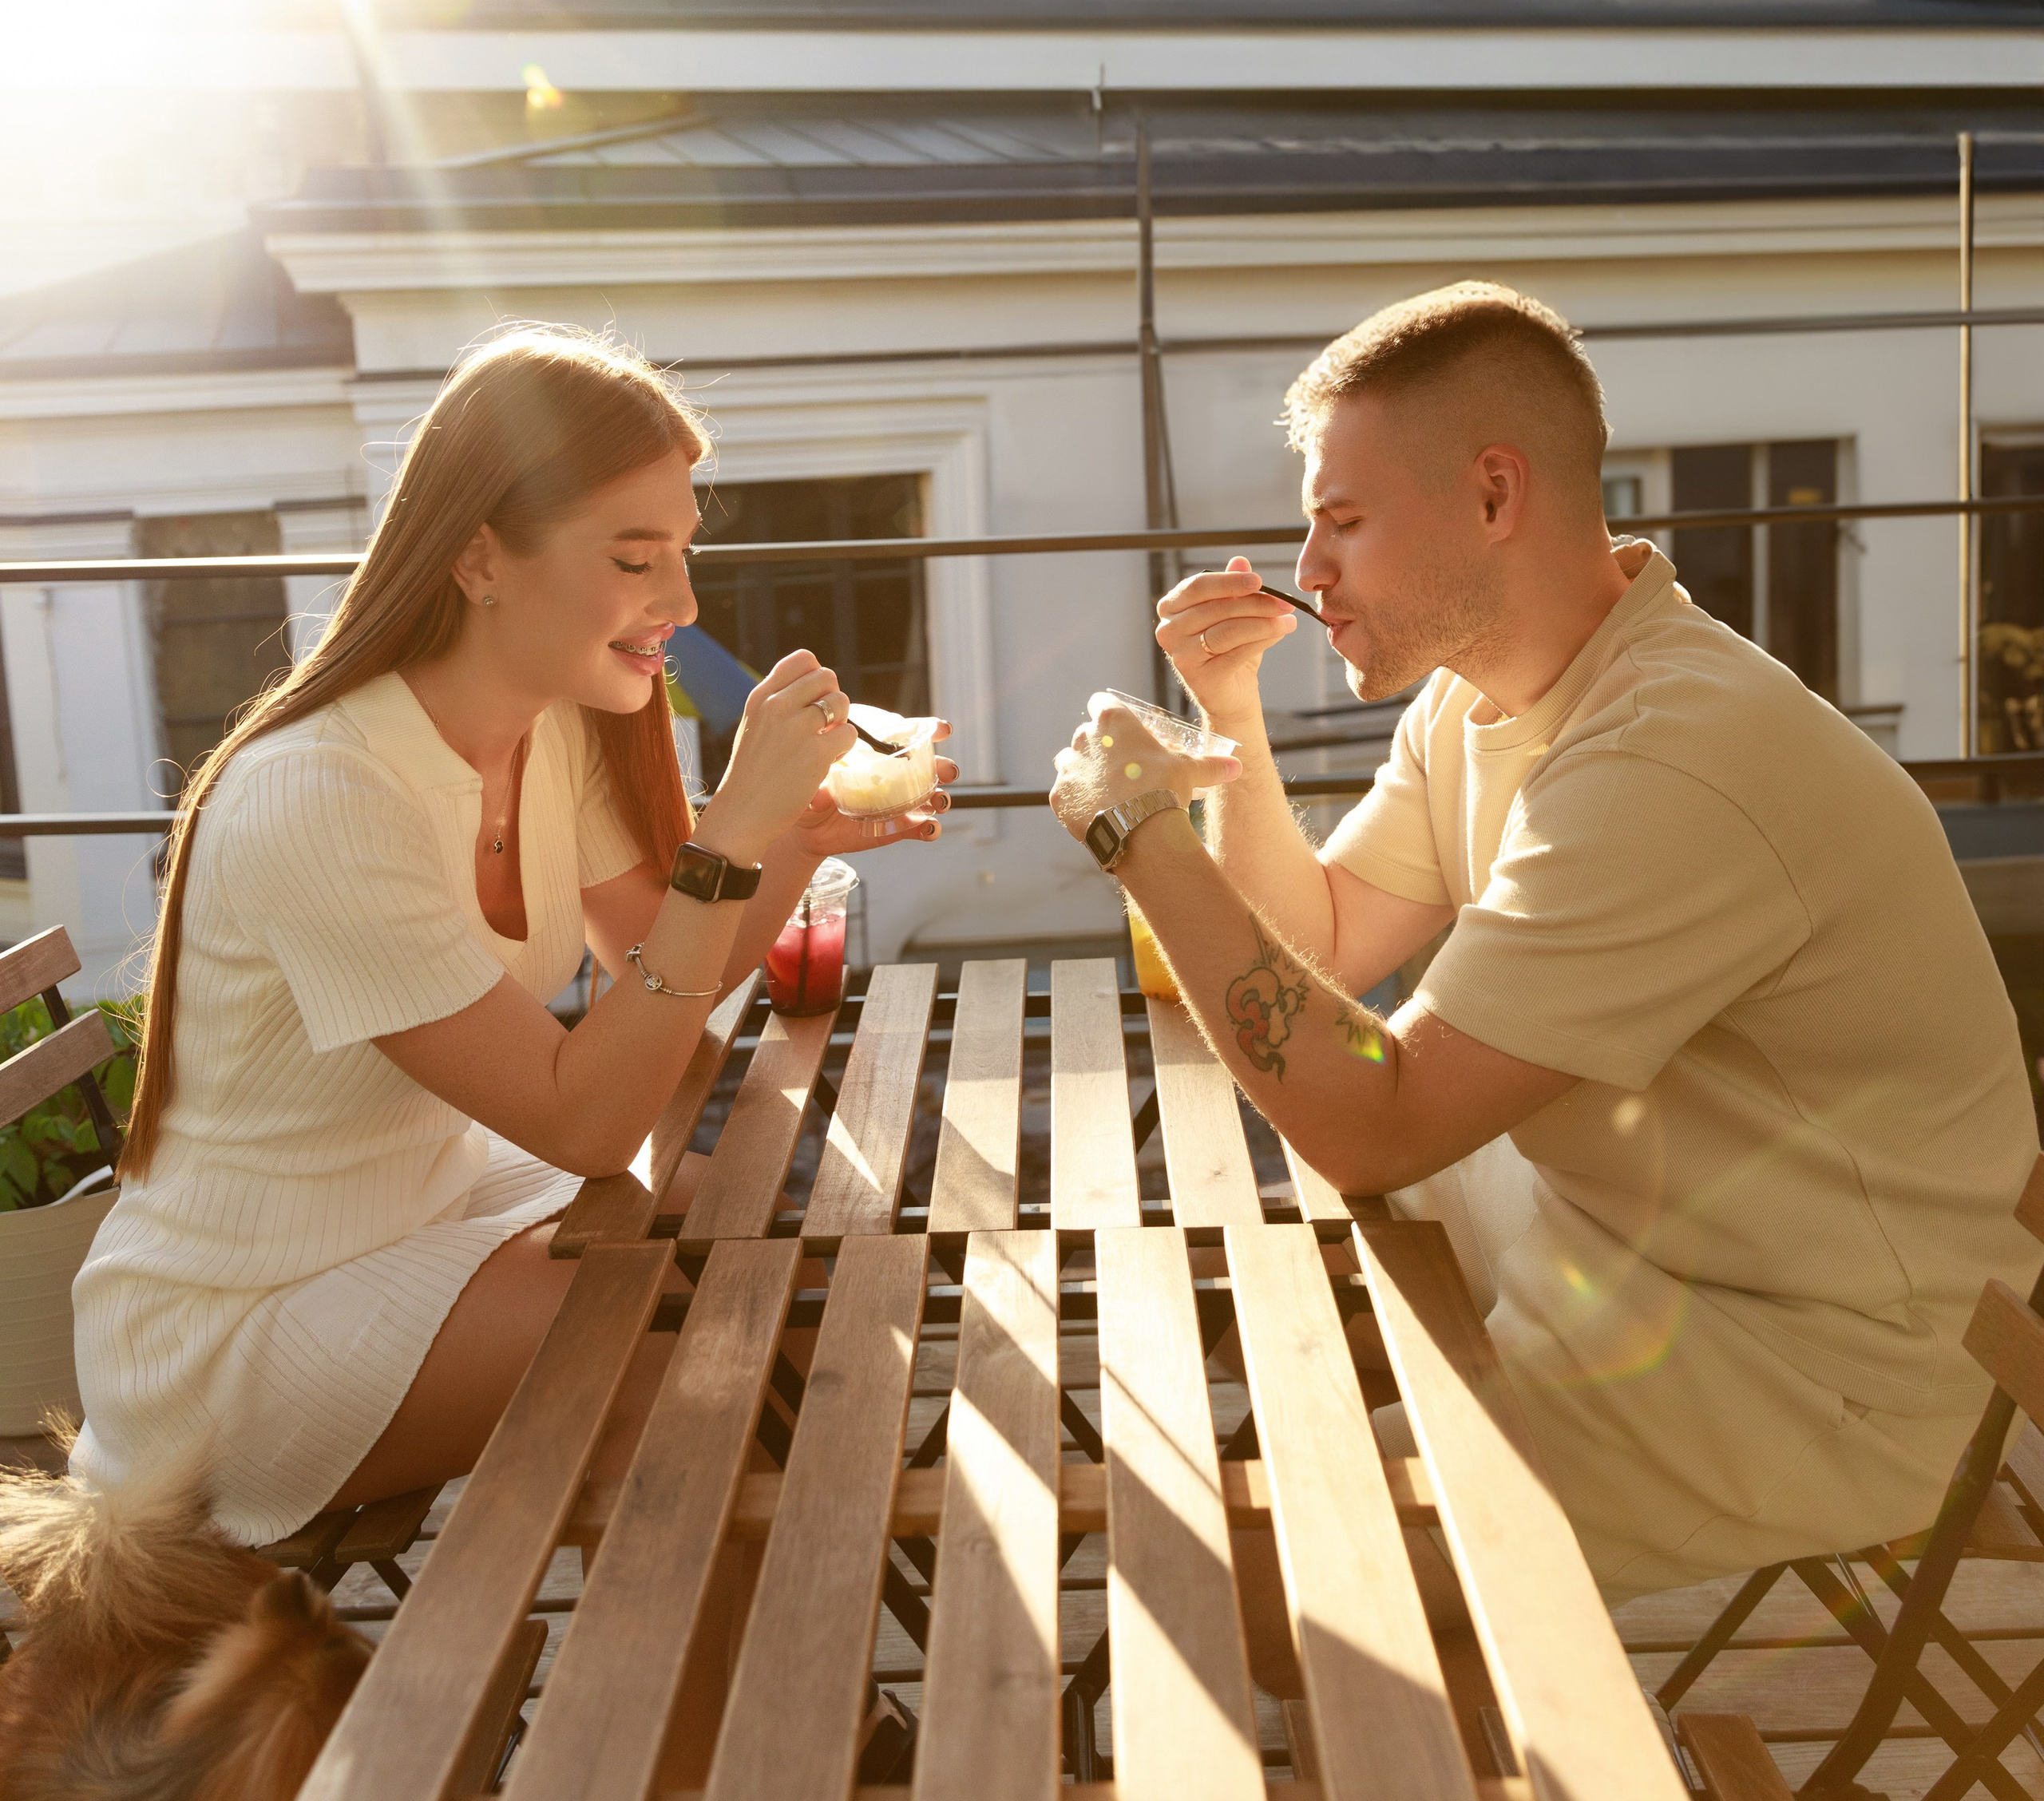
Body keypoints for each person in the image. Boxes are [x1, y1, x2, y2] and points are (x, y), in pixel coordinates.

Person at [1051, 280, 2039, 1602]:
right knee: (1269, 1298)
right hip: (1623, 1229)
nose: (1309, 569)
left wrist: (1141, 837)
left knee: (1280, 1577)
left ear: (1494, 494)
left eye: (1345, 520)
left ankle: (1496, 1710)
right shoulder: (1476, 701)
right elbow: (1320, 945)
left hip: (1824, 1365)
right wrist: (1229, 718)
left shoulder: (1668, 758)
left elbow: (1379, 1123)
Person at [70, 327, 953, 1548]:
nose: (684, 606)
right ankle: (763, 1659)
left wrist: (791, 839)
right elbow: (582, 1121)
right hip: (236, 1323)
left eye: (684, 554)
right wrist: (728, 834)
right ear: (481, 558)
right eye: (635, 558)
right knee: (688, 1369)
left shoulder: (555, 730)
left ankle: (833, 1600)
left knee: (783, 1253)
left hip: (428, 1206)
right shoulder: (318, 796)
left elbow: (656, 959)